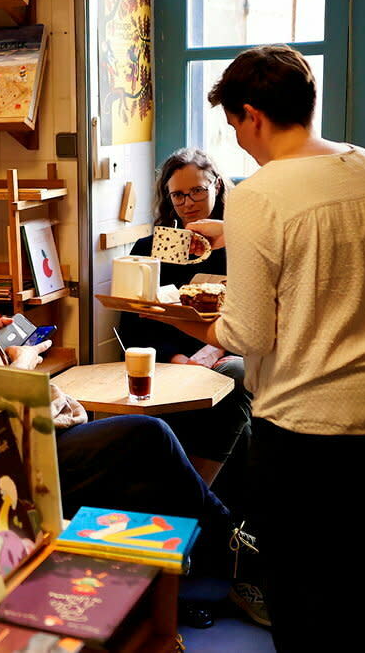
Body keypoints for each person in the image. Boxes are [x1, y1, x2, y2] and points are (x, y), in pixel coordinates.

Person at [0, 175, 256, 595]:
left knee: (157, 447)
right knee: (149, 437)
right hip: (7, 458)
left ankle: (209, 557)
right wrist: (26, 359)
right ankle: (235, 554)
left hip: (14, 434)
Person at [157, 45, 365, 652]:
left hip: (308, 425)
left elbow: (246, 335)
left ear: (253, 115)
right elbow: (324, 253)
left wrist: (173, 315)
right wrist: (234, 232)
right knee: (356, 578)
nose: (241, 142)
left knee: (300, 595)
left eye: (235, 127)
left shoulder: (260, 193)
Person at [119, 148, 251, 487]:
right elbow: (132, 327)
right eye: (177, 194)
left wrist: (218, 354)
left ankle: (194, 493)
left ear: (217, 186)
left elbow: (258, 318)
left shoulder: (243, 245)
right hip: (168, 364)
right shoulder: (149, 249)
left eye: (197, 190)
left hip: (230, 357)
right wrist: (178, 359)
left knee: (234, 375)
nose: (188, 202)